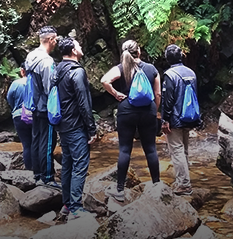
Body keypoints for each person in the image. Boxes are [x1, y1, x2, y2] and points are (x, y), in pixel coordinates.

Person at [100, 39, 161, 202]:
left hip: (126, 110)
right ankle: (157, 187)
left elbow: (104, 80)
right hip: (148, 110)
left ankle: (119, 190)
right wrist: (154, 110)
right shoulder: (151, 69)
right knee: (150, 149)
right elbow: (158, 94)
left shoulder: (121, 68)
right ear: (139, 51)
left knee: (125, 150)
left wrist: (115, 94)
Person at [51, 37, 97, 221]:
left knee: (68, 165)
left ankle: (66, 205)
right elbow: (84, 103)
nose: (80, 45)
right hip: (75, 125)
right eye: (78, 44)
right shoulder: (77, 72)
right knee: (80, 165)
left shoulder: (58, 70)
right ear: (73, 51)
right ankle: (76, 207)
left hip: (62, 125)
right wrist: (92, 129)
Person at [161, 44, 200, 196]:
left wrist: (165, 120)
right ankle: (182, 180)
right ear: (181, 56)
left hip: (176, 118)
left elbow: (168, 100)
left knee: (177, 151)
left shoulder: (170, 75)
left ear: (167, 58)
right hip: (189, 117)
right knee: (184, 150)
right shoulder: (191, 72)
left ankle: (184, 184)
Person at [23, 26, 58, 186]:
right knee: (48, 141)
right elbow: (49, 86)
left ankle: (37, 174)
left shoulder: (31, 56)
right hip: (45, 106)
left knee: (36, 139)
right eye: (56, 39)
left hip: (33, 105)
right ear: (50, 40)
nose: (57, 42)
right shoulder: (46, 61)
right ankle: (47, 177)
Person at [6, 68, 33, 170]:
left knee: (26, 144)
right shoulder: (35, 83)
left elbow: (9, 98)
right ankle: (38, 169)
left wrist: (15, 107)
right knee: (35, 142)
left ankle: (29, 168)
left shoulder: (15, 83)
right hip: (34, 115)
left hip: (19, 115)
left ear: (22, 71)